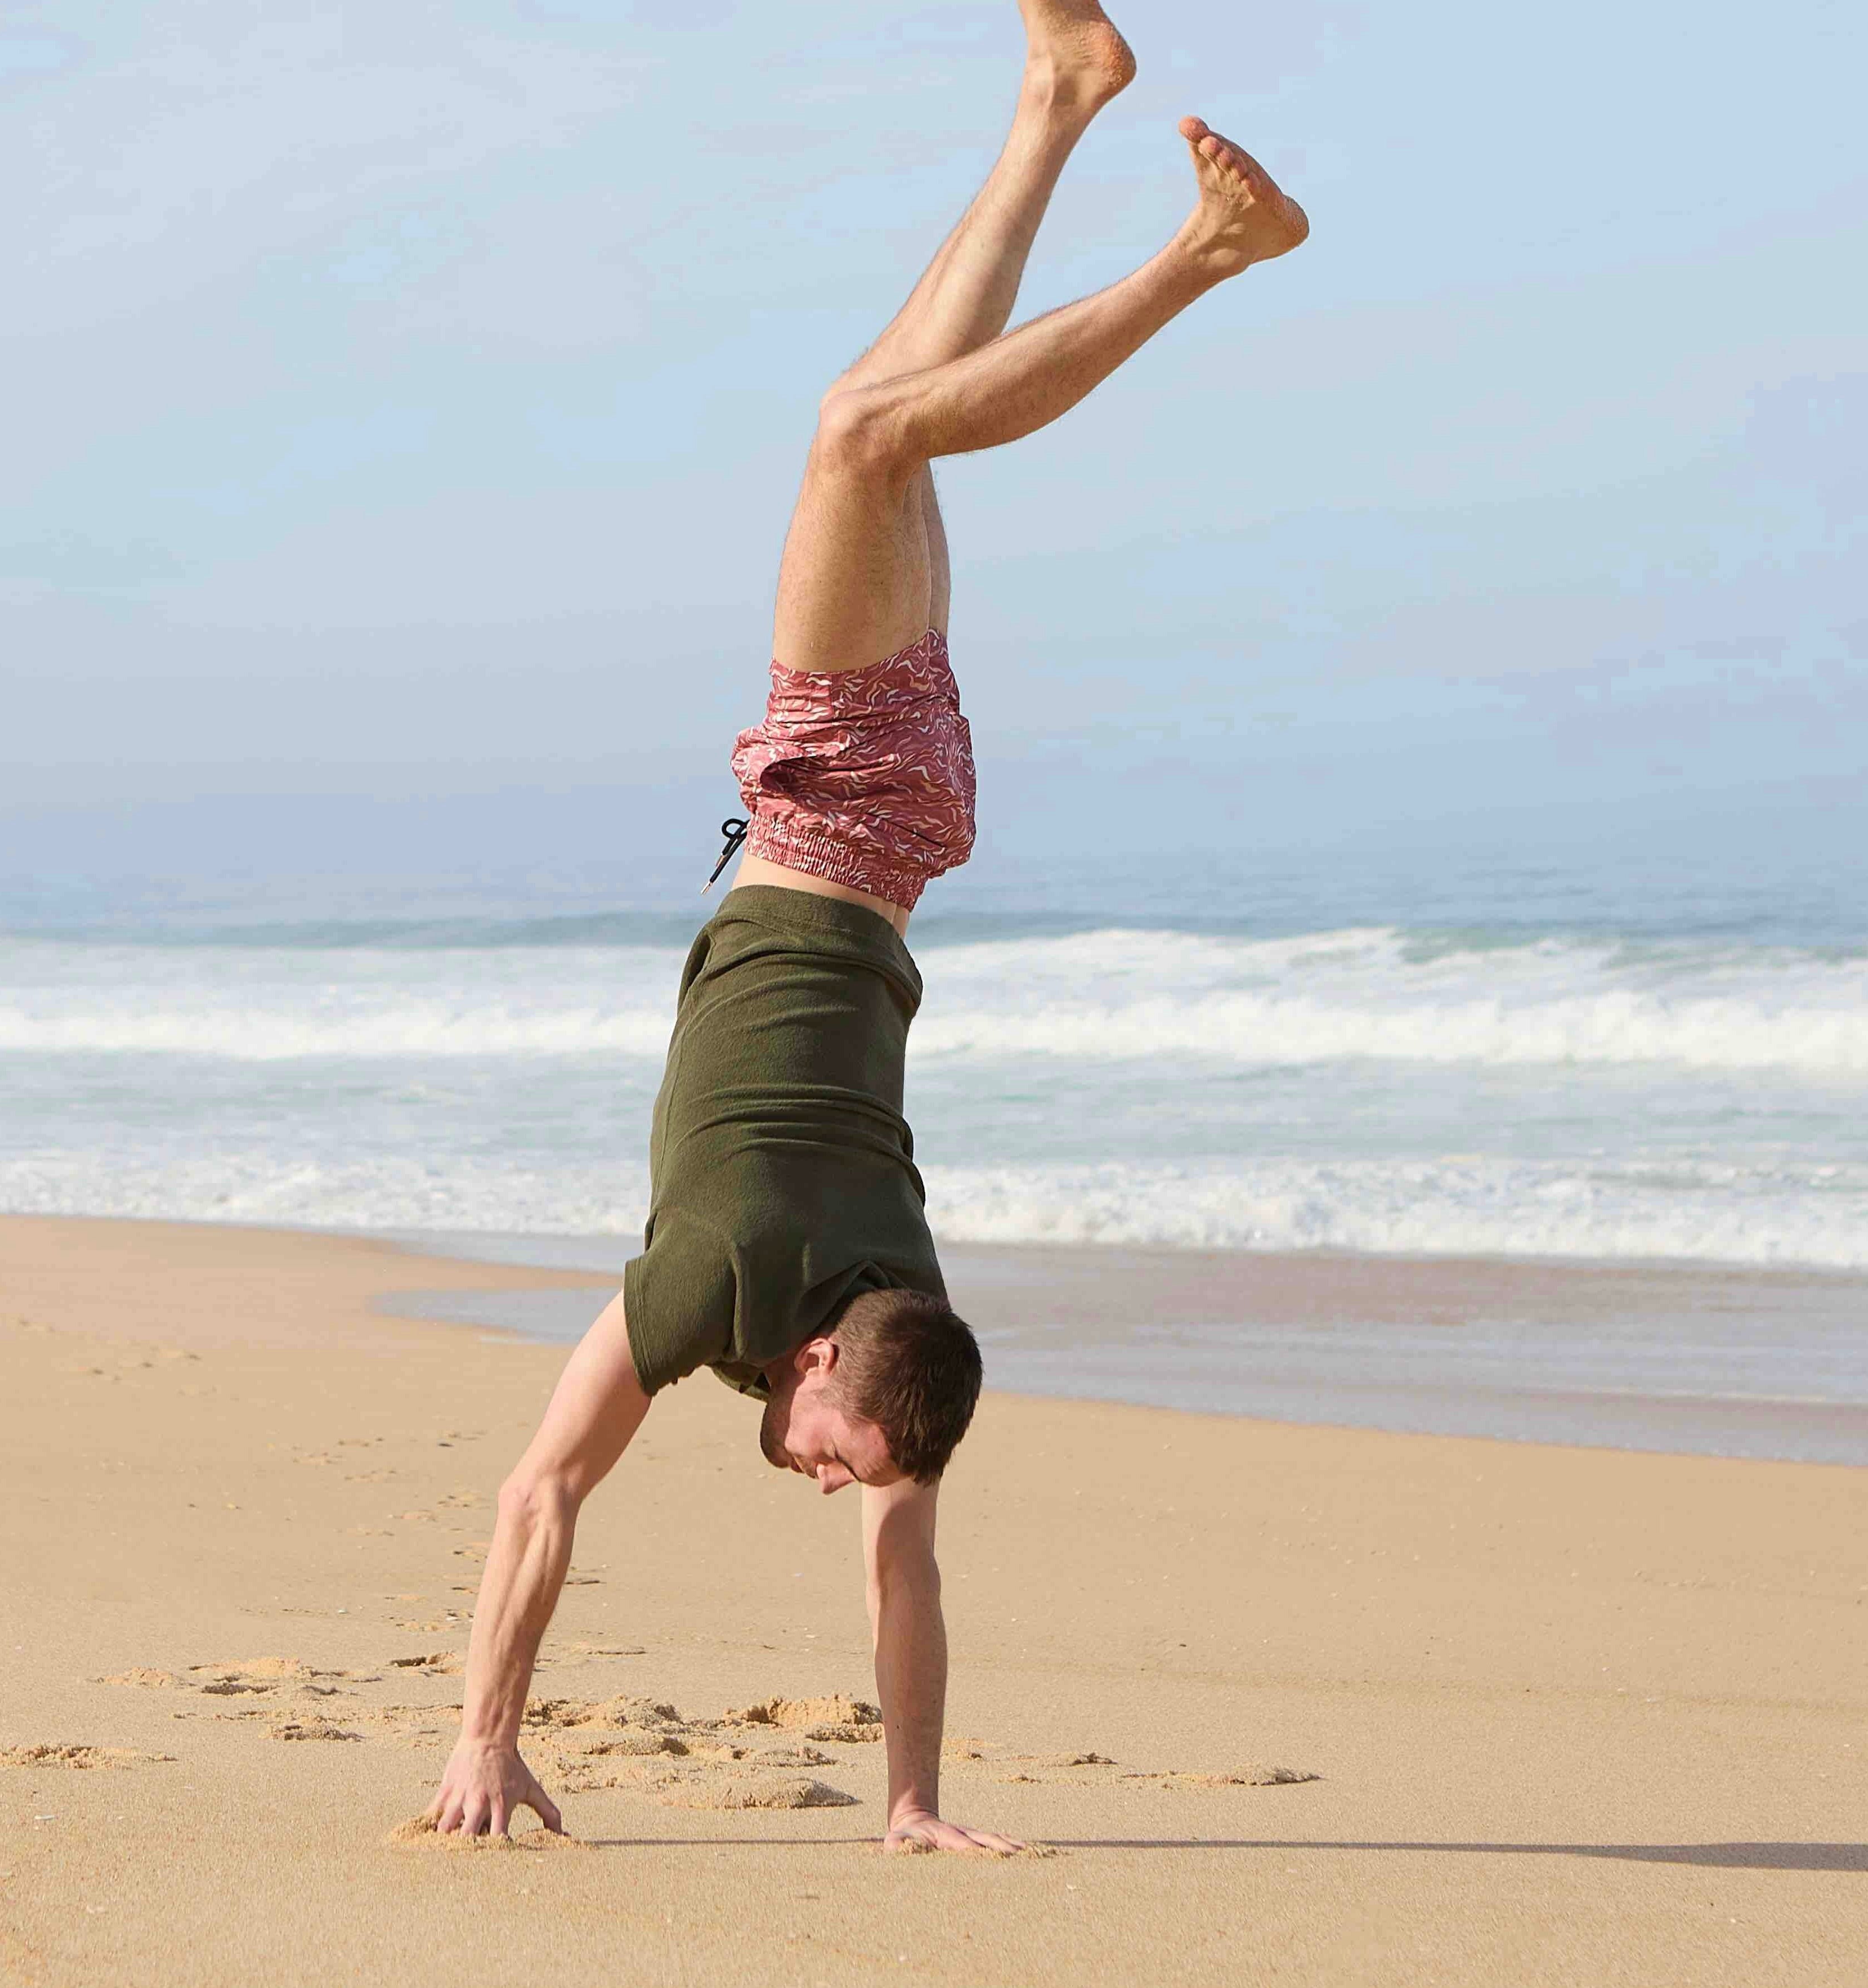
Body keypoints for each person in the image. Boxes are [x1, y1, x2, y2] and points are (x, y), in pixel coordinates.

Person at [425, 0, 1307, 1852]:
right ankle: (1201, 256)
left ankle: (1056, 103)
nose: (831, 1487)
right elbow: (534, 1495)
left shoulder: (903, 1304)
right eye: (844, 1458)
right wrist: (481, 1736)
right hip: (838, 813)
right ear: (824, 1367)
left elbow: (907, 1582)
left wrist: (913, 1804)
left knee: (874, 436)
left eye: (854, 1476)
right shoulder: (722, 1280)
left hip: (889, 833)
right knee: (855, 435)